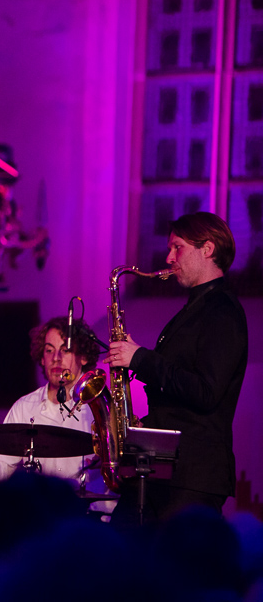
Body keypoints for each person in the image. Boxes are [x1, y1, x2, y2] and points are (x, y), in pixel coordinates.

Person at [110, 211, 248, 522]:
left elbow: (206, 391)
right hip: (167, 467)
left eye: (177, 247)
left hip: (192, 476)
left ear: (207, 249)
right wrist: (149, 425)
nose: (169, 256)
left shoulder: (222, 311)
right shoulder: (197, 307)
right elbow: (180, 391)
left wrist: (141, 359)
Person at [0, 316, 102, 489]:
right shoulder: (25, 407)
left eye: (65, 349)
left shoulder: (100, 407)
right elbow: (3, 466)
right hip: (45, 513)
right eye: (49, 350)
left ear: (83, 357)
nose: (56, 357)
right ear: (41, 358)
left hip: (93, 513)